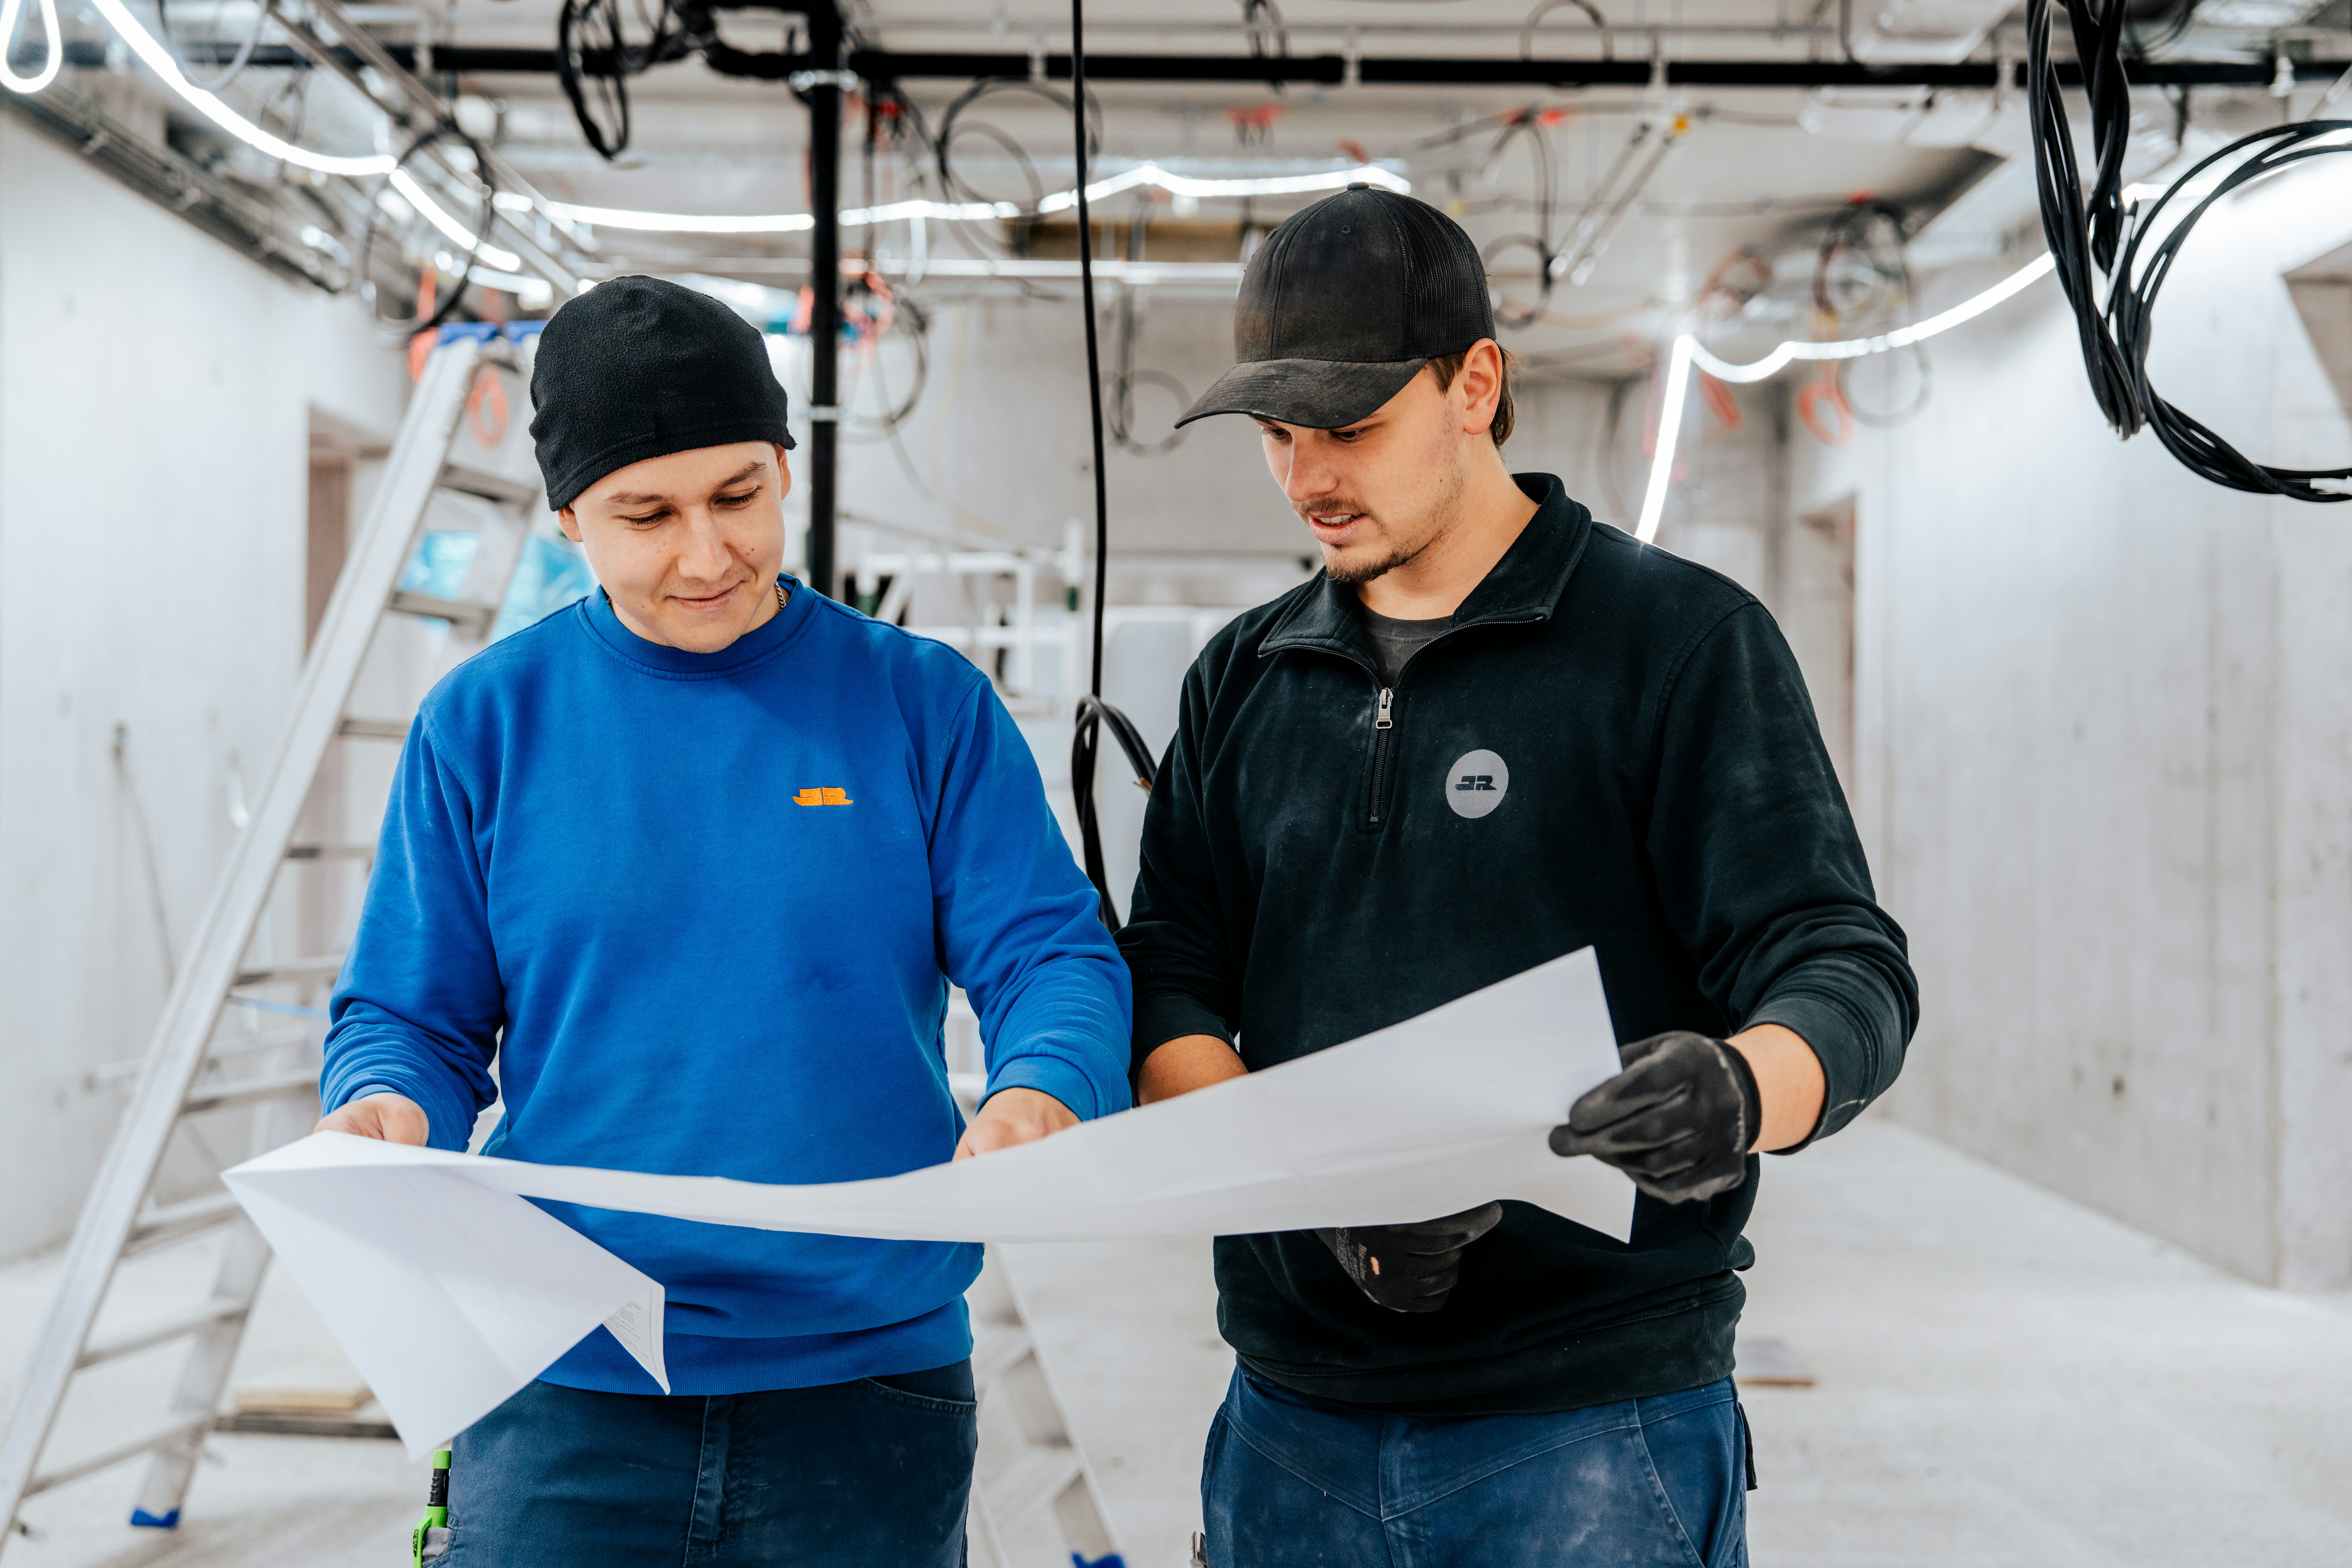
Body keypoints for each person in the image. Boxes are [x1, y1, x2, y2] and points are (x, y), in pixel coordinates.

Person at [1120, 186, 1918, 1566]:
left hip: (1592, 1430)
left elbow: (1837, 964)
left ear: (1473, 384)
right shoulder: (1241, 680)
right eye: (1277, 433)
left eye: (1351, 427)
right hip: (1287, 1421)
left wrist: (1743, 1088)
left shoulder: (1676, 644)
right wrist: (1318, 1188)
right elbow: (1169, 987)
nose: (1308, 474)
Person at [315, 277, 1131, 1567]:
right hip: (562, 1378)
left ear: (783, 466)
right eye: (648, 514)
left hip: (867, 1387)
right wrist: (385, 1102)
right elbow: (411, 1016)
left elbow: (1052, 952)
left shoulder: (921, 705)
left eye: (739, 497)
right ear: (571, 514)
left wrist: (1046, 1082)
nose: (707, 555)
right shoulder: (485, 725)